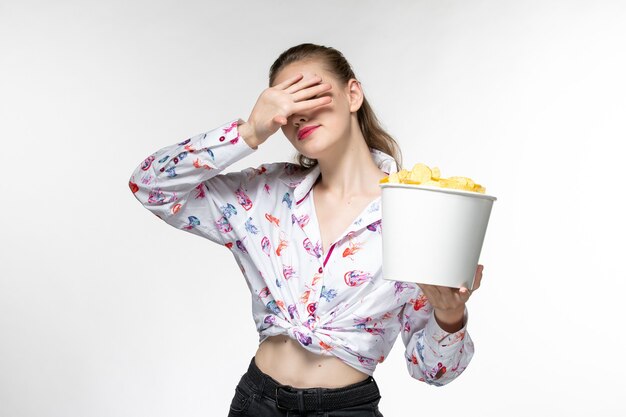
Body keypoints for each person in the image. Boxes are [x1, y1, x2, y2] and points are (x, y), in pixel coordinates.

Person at [128, 43, 483, 417]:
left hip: (345, 410)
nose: (299, 114)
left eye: (311, 93)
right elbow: (150, 186)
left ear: (353, 94)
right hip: (256, 403)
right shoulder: (264, 194)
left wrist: (449, 315)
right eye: (286, 105)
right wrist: (249, 131)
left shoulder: (417, 214)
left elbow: (432, 371)